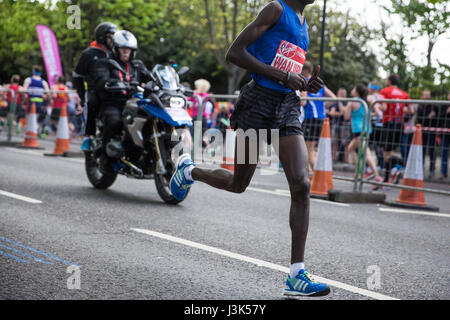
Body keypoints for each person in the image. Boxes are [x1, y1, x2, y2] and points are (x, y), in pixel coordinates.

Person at [170, 0, 330, 297]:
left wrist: (306, 82)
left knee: (301, 184)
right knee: (237, 183)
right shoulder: (275, 9)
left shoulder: (304, 23)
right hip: (257, 103)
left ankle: (296, 274)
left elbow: (287, 67)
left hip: (287, 106)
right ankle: (189, 170)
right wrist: (283, 76)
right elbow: (235, 53)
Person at [94, 30, 153, 173]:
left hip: (134, 102)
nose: (126, 52)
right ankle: (105, 159)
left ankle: (145, 152)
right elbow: (101, 79)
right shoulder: (106, 63)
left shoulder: (137, 65)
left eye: (129, 50)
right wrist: (109, 83)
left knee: (151, 119)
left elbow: (151, 78)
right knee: (115, 122)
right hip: (113, 102)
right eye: (123, 49)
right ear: (116, 49)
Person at [73, 22, 118, 146]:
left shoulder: (115, 54)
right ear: (102, 37)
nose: (113, 39)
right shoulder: (89, 54)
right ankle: (88, 137)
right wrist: (82, 96)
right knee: (91, 103)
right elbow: (77, 76)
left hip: (113, 93)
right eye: (110, 36)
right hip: (94, 92)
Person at [343, 85, 383, 189]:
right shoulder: (367, 101)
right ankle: (359, 171)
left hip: (358, 130)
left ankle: (376, 176)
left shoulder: (353, 101)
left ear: (356, 91)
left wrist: (348, 107)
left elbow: (346, 116)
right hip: (366, 129)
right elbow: (379, 113)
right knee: (351, 148)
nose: (351, 89)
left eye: (353, 88)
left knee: (366, 153)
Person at [300, 61, 336, 172]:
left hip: (311, 118)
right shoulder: (319, 83)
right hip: (321, 118)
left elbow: (303, 102)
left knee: (307, 150)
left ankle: (317, 175)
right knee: (313, 149)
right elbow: (334, 98)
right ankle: (311, 174)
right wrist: (322, 106)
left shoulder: (305, 82)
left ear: (305, 71)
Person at [379, 74, 414, 184]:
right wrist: (400, 111)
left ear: (389, 81)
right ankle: (390, 175)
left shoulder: (385, 91)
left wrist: (374, 105)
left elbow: (384, 107)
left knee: (386, 152)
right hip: (399, 124)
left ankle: (397, 167)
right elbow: (411, 110)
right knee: (390, 151)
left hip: (388, 122)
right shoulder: (404, 94)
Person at [416, 89, 439, 179]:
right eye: (425, 95)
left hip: (432, 132)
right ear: (422, 96)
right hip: (423, 131)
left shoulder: (434, 106)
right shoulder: (420, 106)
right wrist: (428, 117)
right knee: (422, 150)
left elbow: (438, 120)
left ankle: (432, 170)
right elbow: (419, 119)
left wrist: (433, 117)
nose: (427, 97)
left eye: (428, 95)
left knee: (431, 151)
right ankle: (420, 169)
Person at [23, 65, 50, 136]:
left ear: (33, 71)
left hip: (31, 102)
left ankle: (33, 131)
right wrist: (44, 96)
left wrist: (24, 99)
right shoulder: (44, 82)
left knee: (29, 119)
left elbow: (24, 91)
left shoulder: (28, 80)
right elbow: (48, 93)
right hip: (40, 103)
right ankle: (38, 129)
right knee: (36, 119)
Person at [367, 82, 384, 175]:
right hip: (381, 124)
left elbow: (377, 111)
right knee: (379, 146)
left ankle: (371, 166)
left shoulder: (370, 97)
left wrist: (375, 111)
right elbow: (384, 107)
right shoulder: (381, 97)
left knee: (371, 146)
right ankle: (380, 164)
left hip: (373, 123)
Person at [327, 88, 347, 162]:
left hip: (345, 125)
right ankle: (333, 158)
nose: (342, 95)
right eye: (341, 93)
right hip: (335, 124)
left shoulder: (347, 102)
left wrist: (339, 111)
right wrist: (340, 113)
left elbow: (344, 112)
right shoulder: (335, 103)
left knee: (345, 143)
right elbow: (332, 113)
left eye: (343, 93)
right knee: (334, 142)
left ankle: (346, 161)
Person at [438, 92, 450, 180]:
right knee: (444, 154)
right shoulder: (444, 105)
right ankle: (443, 172)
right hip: (445, 134)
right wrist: (447, 112)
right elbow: (439, 117)